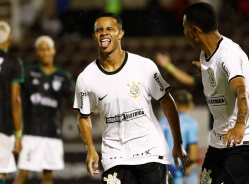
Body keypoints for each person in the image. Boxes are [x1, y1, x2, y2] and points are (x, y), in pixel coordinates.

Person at [73, 12, 188, 184]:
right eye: (99, 30)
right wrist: (90, 148)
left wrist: (177, 143)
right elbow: (83, 117)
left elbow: (166, 101)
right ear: (94, 36)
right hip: (115, 156)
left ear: (120, 34)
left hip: (150, 152)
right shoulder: (86, 78)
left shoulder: (144, 66)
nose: (104, 33)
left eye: (110, 29)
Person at [182, 2, 249, 184]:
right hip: (221, 138)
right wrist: (207, 70)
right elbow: (217, 69)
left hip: (246, 139)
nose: (184, 33)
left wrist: (240, 125)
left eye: (185, 28)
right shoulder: (205, 52)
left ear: (195, 30)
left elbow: (241, 89)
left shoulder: (227, 55)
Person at [13, 35, 75, 184]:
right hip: (31, 132)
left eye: (48, 49)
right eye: (42, 50)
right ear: (36, 53)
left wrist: (91, 108)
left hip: (53, 132)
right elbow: (13, 95)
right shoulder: (27, 73)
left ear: (53, 51)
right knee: (23, 174)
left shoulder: (63, 76)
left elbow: (76, 100)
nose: (45, 53)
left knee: (48, 176)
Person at [0, 21, 24, 184]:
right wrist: (18, 135)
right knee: (1, 173)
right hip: (3, 125)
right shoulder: (13, 62)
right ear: (10, 38)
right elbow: (15, 100)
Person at [159, 90, 198, 184]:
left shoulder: (161, 121)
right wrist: (191, 164)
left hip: (160, 166)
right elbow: (192, 148)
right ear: (191, 104)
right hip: (177, 167)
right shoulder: (190, 123)